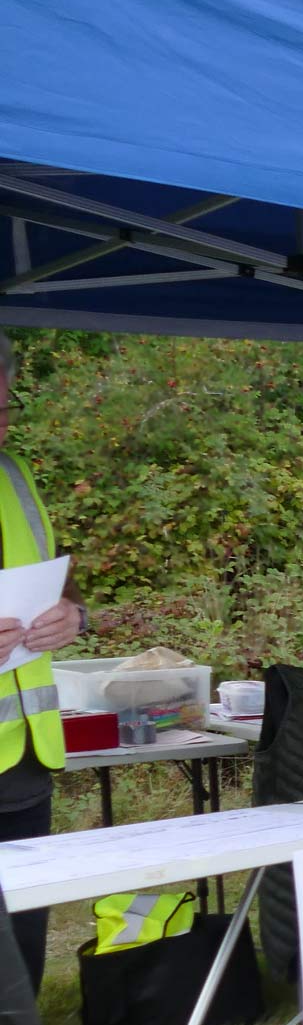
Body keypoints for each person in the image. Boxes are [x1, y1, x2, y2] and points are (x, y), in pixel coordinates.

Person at [0, 330, 88, 991]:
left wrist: (73, 615)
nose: (4, 424)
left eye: (6, 408)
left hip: (27, 756)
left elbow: (56, 579)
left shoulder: (16, 475)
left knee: (23, 928)